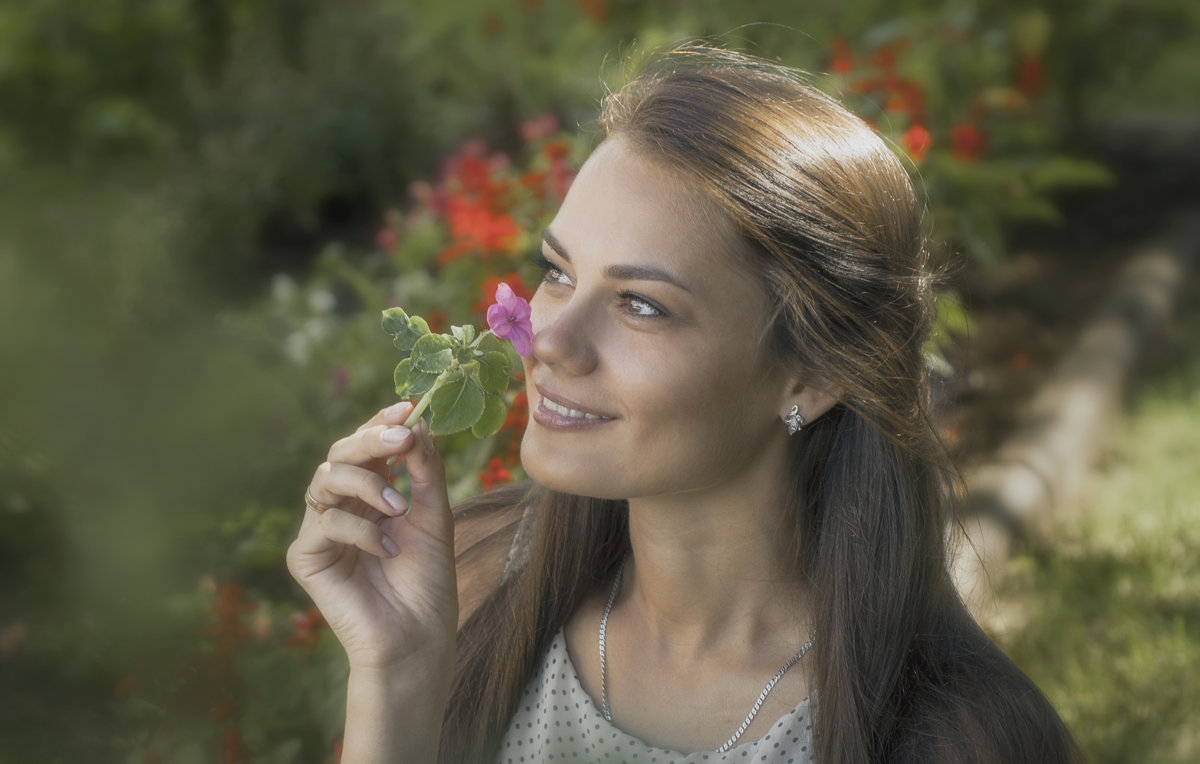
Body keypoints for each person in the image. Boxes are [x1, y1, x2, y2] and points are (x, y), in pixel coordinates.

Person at [287, 45, 1083, 763]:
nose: (552, 340)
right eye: (559, 271)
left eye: (642, 305)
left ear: (809, 374)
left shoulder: (957, 740)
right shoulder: (472, 580)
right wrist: (397, 678)